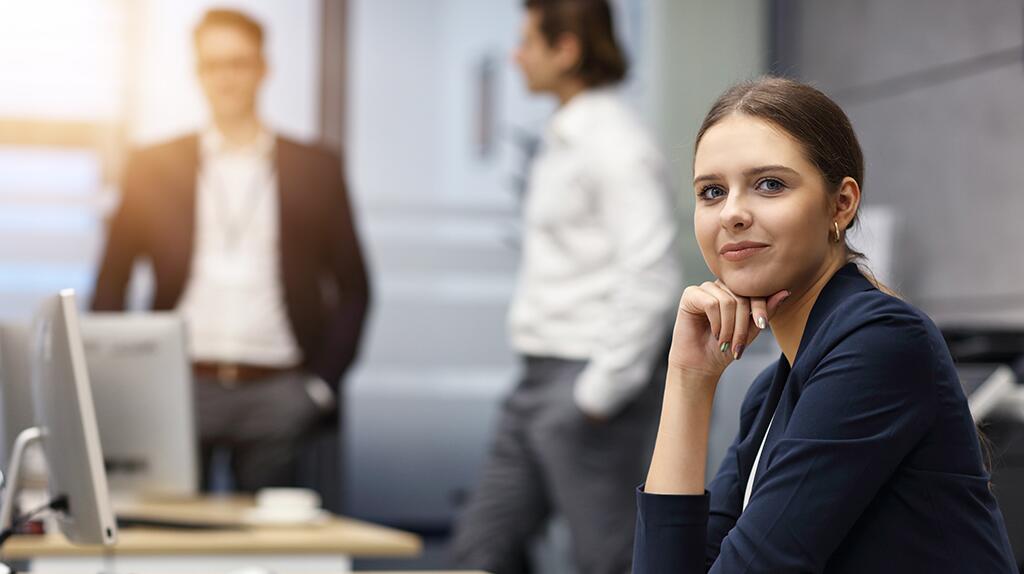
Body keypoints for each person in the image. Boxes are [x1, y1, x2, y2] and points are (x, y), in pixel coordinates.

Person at [633, 76, 1017, 573]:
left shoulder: (880, 341)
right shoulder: (774, 389)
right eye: (711, 191)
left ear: (842, 204)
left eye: (769, 184)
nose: (731, 213)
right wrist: (688, 381)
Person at [91, 8, 370, 493]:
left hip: (279, 391)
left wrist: (319, 388)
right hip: (178, 387)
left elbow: (355, 288)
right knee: (170, 545)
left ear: (264, 69)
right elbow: (111, 279)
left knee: (268, 557)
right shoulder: (153, 166)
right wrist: (122, 379)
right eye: (213, 65)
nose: (226, 78)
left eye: (239, 63)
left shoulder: (315, 168)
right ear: (198, 73)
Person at [450, 1, 682, 573]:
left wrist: (597, 395)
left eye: (527, 40)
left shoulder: (615, 143)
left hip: (588, 380)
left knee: (606, 560)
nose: (515, 54)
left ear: (567, 49)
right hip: (536, 378)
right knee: (483, 549)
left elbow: (652, 274)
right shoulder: (563, 136)